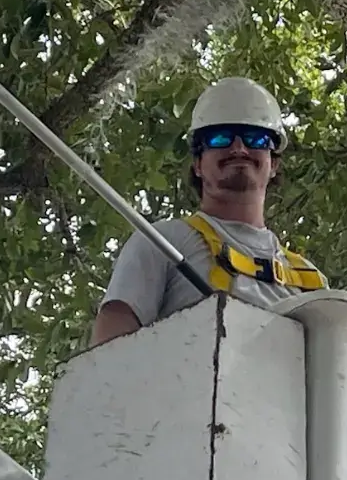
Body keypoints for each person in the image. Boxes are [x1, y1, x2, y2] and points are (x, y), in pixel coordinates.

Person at [91, 77, 328, 346]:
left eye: (255, 138)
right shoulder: (162, 243)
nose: (239, 149)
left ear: (274, 164)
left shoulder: (311, 281)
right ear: (197, 164)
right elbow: (107, 356)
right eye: (220, 138)